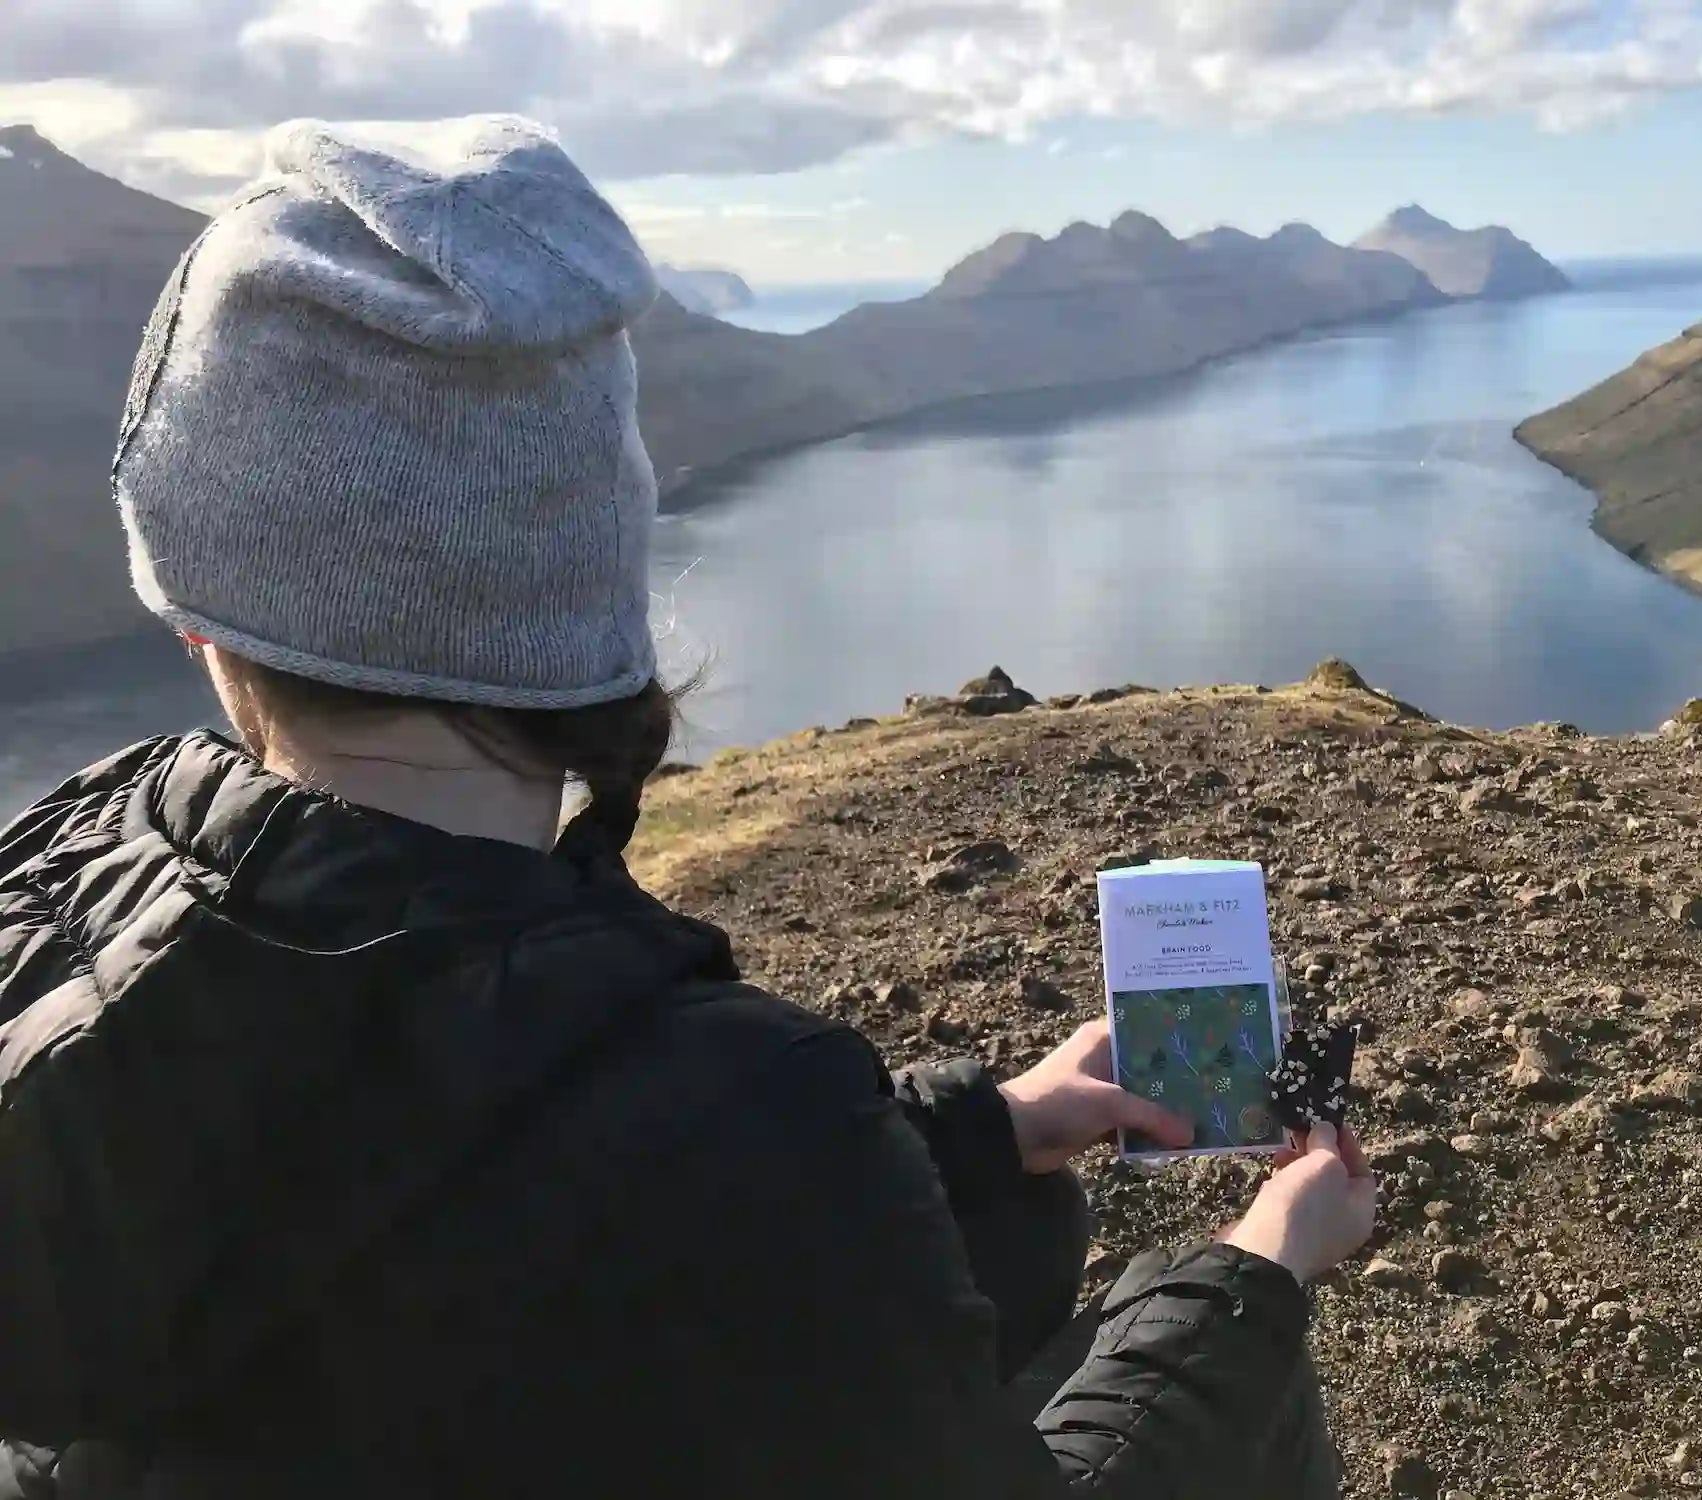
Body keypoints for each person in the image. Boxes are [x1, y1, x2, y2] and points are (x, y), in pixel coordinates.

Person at [0, 118, 1377, 1500]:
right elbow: (613, 1167)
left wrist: (984, 1125)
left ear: (192, 609)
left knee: (1012, 1224)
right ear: (587, 593)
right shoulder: (740, 1109)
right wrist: (1257, 1271)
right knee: (1181, 1321)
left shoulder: (51, 905)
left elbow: (421, 1180)